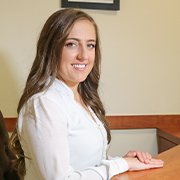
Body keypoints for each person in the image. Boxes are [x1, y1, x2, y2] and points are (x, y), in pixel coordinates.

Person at [9, 8, 164, 180]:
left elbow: (85, 164)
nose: (84, 56)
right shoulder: (44, 103)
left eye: (90, 45)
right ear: (51, 49)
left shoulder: (83, 100)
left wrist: (123, 162)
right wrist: (121, 165)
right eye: (71, 44)